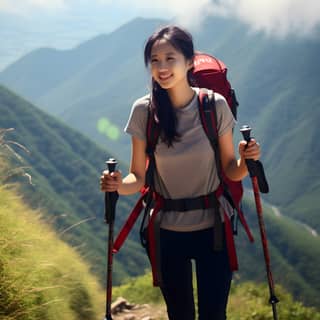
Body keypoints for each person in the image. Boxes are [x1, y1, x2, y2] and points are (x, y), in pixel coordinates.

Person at [100, 25, 261, 320]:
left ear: (189, 62)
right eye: (155, 60)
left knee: (214, 315)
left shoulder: (214, 106)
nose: (161, 67)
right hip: (166, 231)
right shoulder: (144, 111)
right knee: (180, 315)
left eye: (169, 58)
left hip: (213, 226)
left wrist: (245, 160)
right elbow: (137, 177)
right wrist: (116, 184)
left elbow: (230, 171)